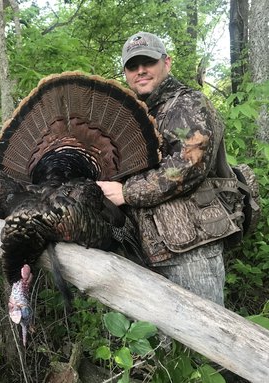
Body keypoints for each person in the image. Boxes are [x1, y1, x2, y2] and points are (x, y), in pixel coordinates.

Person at [97, 31, 239, 306]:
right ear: (126, 72)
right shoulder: (138, 113)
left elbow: (188, 165)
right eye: (132, 65)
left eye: (148, 62)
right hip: (147, 246)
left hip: (191, 247)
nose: (141, 71)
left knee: (204, 333)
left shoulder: (186, 103)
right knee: (161, 340)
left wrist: (127, 192)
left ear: (166, 63)